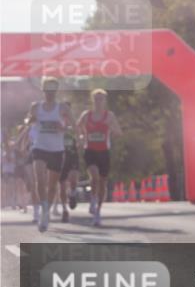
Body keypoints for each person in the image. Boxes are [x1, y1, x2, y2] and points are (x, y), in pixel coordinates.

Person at [27, 78, 73, 232]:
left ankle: (46, 214)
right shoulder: (35, 107)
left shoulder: (63, 107)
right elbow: (29, 121)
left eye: (53, 90)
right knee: (39, 178)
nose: (50, 93)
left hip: (57, 149)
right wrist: (30, 120)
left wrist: (63, 127)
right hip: (39, 147)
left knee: (52, 186)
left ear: (56, 91)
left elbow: (71, 125)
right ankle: (43, 208)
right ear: (43, 90)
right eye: (47, 89)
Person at [77, 89, 123, 227]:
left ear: (105, 101)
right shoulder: (87, 115)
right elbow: (77, 127)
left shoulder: (109, 116)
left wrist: (112, 130)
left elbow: (119, 132)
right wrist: (81, 137)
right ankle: (92, 200)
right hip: (90, 150)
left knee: (102, 183)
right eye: (96, 99)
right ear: (93, 100)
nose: (98, 102)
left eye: (101, 99)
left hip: (104, 152)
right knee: (95, 177)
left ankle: (97, 212)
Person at [58, 116, 81, 223]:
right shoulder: (56, 126)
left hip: (73, 157)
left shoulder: (74, 127)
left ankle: (72, 194)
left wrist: (80, 140)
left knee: (73, 180)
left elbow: (81, 136)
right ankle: (64, 209)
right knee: (62, 186)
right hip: (60, 157)